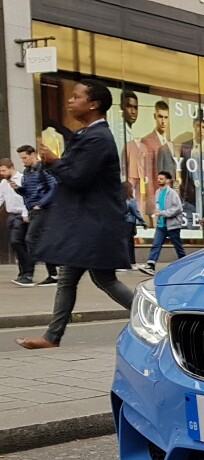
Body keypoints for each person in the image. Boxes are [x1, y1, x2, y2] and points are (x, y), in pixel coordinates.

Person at [16, 80, 134, 350]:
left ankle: (158, 318)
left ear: (93, 105)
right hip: (86, 224)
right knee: (71, 278)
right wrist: (55, 162)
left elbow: (78, 177)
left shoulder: (99, 138)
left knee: (104, 280)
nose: (70, 100)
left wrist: (54, 162)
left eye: (76, 96)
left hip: (95, 224)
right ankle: (51, 337)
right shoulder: (87, 135)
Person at [15, 144, 59, 286]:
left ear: (33, 154)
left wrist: (41, 204)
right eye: (21, 158)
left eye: (25, 157)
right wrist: (18, 189)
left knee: (31, 238)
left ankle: (31, 273)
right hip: (34, 209)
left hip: (42, 209)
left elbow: (54, 187)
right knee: (39, 240)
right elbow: (28, 192)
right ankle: (53, 272)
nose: (23, 161)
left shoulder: (43, 169)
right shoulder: (27, 172)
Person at [139, 170, 185, 275]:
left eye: (161, 179)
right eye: (158, 179)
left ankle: (185, 264)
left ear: (167, 180)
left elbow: (178, 208)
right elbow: (158, 206)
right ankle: (151, 265)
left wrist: (163, 213)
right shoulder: (157, 192)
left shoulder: (172, 193)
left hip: (172, 224)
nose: (159, 181)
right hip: (161, 224)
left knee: (178, 246)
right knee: (156, 244)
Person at [1, 158, 33, 286]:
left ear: (10, 167)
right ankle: (23, 271)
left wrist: (26, 214)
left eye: (4, 170)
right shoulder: (3, 183)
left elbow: (26, 197)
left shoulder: (22, 179)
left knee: (17, 241)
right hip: (11, 215)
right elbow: (0, 198)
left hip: (21, 215)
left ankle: (28, 273)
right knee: (16, 244)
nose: (2, 173)